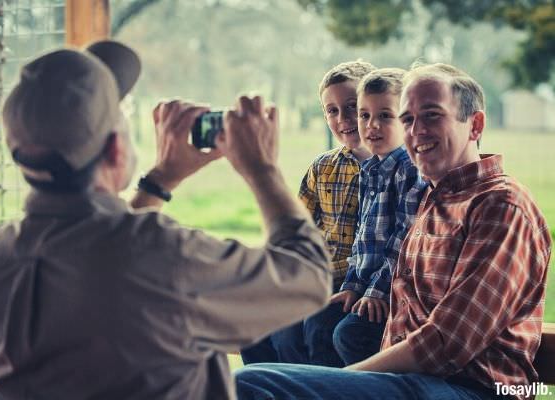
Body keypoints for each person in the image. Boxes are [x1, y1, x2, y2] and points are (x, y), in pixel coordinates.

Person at [0, 41, 333, 400]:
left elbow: (101, 256)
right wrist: (261, 168)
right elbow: (309, 276)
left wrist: (160, 180)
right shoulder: (161, 255)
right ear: (116, 148)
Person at [235, 63, 552, 400]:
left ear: (475, 125)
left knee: (252, 383)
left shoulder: (500, 205)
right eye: (408, 119)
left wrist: (342, 380)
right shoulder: (435, 197)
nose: (417, 131)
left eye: (431, 116)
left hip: (470, 389)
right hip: (414, 381)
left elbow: (445, 345)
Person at [240, 61, 376, 367]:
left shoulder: (393, 168)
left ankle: (307, 386)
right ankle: (266, 385)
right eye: (332, 110)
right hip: (316, 274)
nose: (343, 119)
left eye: (352, 107)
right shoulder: (323, 167)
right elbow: (298, 229)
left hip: (356, 280)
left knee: (314, 327)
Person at [331, 68, 427, 365]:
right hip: (364, 285)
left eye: (385, 116)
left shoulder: (411, 169)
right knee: (309, 321)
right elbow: (362, 239)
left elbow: (403, 240)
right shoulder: (371, 168)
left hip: (389, 290)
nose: (371, 125)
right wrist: (351, 285)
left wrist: (374, 291)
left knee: (348, 334)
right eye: (364, 116)